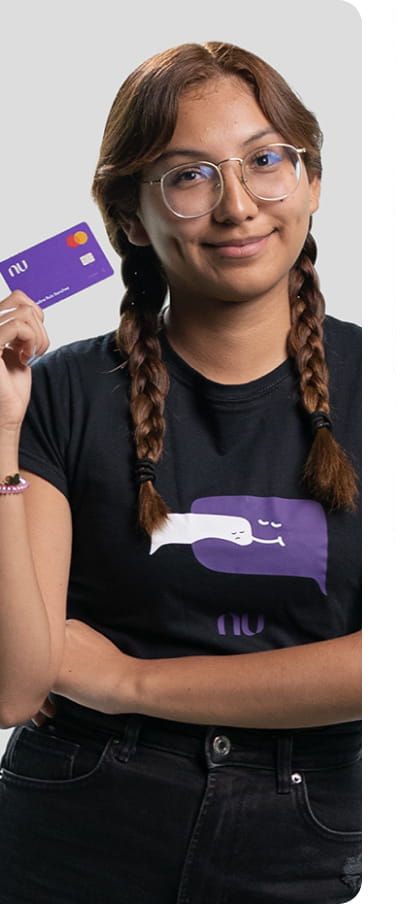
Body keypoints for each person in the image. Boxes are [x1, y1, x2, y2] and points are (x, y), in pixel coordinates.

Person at [0, 42, 361, 903]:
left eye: (266, 160)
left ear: (311, 180)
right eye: (190, 175)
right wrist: (0, 432)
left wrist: (126, 680)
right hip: (74, 814)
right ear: (130, 215)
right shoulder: (59, 393)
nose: (238, 206)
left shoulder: (394, 391)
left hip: (307, 826)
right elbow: (15, 686)